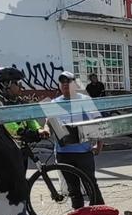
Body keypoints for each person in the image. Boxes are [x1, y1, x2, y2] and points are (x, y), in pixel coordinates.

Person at [42, 71, 104, 207]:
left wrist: (99, 145)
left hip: (83, 152)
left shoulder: (85, 100)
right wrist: (46, 129)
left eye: (68, 82)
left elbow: (98, 122)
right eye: (62, 82)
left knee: (91, 186)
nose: (65, 84)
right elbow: (49, 121)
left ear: (74, 84)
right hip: (63, 154)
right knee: (73, 190)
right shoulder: (54, 103)